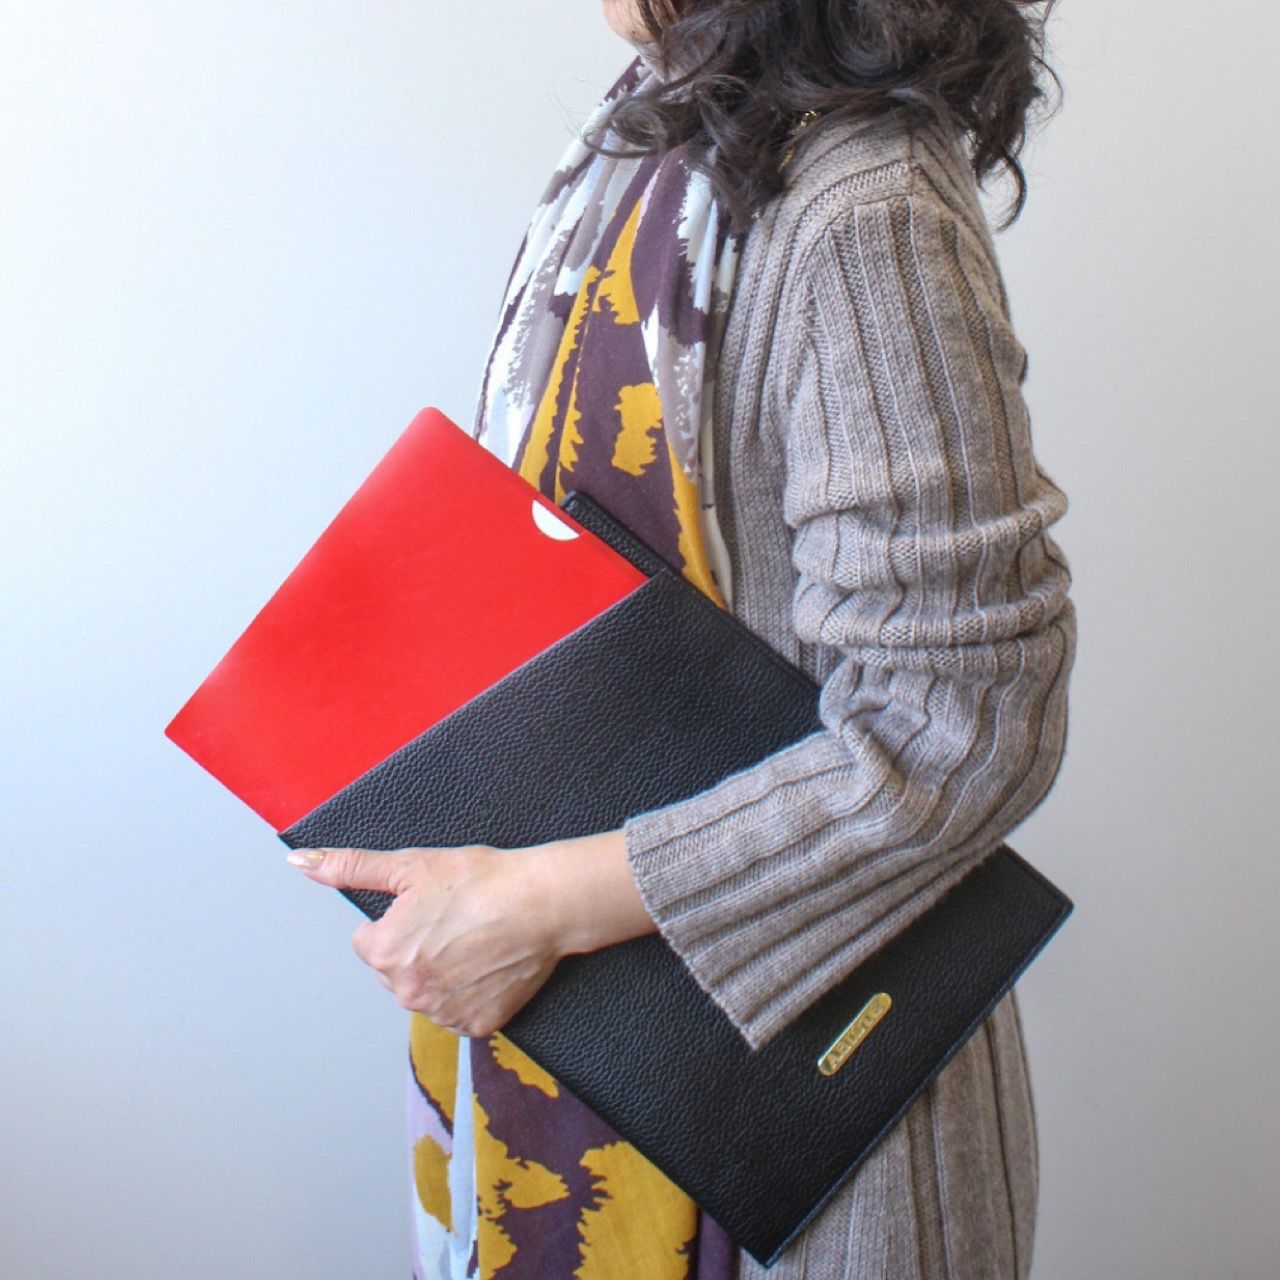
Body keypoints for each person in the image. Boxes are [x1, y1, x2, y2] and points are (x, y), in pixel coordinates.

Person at [288, 1, 1076, 1275]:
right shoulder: (651, 136)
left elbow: (961, 721)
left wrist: (537, 907)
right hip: (602, 1048)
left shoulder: (861, 208)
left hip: (800, 1124)